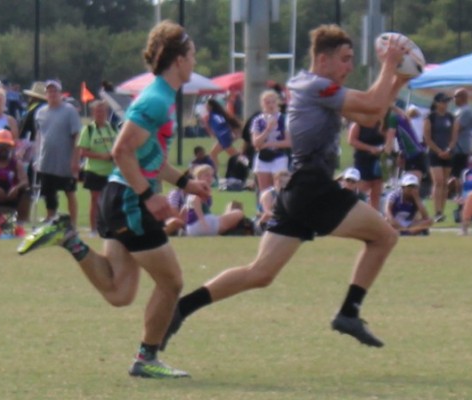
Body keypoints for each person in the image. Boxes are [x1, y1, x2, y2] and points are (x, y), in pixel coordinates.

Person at [160, 24, 409, 352]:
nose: (350, 67)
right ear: (323, 59)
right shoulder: (316, 86)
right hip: (313, 189)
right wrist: (390, 66)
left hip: (298, 190)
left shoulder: (316, 87)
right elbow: (373, 102)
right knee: (385, 236)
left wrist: (400, 79)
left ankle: (180, 310)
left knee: (260, 273)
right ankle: (349, 312)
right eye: (345, 59)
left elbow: (371, 116)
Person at [17, 20, 210, 379]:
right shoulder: (156, 99)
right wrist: (149, 197)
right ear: (179, 59)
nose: (195, 62)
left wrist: (185, 181)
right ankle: (146, 358)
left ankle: (69, 239)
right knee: (172, 283)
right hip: (130, 200)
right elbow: (122, 151)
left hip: (120, 196)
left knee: (120, 292)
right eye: (193, 55)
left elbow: (148, 156)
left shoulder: (161, 96)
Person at [34, 80, 82, 226]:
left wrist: (75, 160)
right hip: (46, 160)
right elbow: (39, 135)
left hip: (65, 161)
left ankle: (73, 223)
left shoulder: (69, 111)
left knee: (69, 192)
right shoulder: (40, 113)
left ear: (60, 93)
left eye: (55, 91)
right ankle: (51, 220)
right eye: (49, 91)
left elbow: (76, 137)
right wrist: (36, 158)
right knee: (49, 194)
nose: (52, 94)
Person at [78, 100, 117, 236]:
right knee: (95, 199)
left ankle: (110, 227)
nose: (101, 114)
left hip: (111, 171)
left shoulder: (112, 128)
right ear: (93, 113)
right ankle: (94, 229)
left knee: (111, 201)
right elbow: (82, 152)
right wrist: (102, 156)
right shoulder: (88, 130)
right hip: (94, 170)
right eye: (98, 111)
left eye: (103, 111)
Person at [185, 164, 245, 236]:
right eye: (206, 175)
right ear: (199, 176)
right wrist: (203, 223)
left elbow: (186, 209)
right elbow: (195, 200)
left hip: (193, 227)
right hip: (200, 225)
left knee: (231, 211)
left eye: (211, 176)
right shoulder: (198, 190)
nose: (210, 178)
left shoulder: (201, 190)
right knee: (238, 213)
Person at [424, 92, 457, 222]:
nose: (445, 104)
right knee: (438, 181)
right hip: (434, 153)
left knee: (445, 183)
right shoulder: (430, 117)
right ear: (437, 103)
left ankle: (441, 211)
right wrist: (438, 151)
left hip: (448, 153)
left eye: (446, 102)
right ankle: (437, 210)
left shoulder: (451, 117)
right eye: (443, 102)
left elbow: (454, 137)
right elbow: (427, 138)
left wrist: (448, 149)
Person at [251, 90, 291, 197]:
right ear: (262, 104)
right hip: (263, 157)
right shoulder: (258, 120)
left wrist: (268, 144)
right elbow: (256, 143)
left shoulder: (283, 119)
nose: (270, 105)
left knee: (280, 188)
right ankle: (263, 210)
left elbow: (289, 142)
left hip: (279, 157)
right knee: (264, 191)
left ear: (277, 103)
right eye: (267, 102)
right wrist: (268, 129)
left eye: (273, 102)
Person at [347, 118, 387, 210]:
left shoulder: (382, 123)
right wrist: (370, 148)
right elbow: (351, 140)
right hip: (363, 160)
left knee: (377, 191)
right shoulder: (359, 123)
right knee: (362, 188)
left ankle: (373, 216)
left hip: (379, 160)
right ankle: (354, 211)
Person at [385, 105, 428, 182]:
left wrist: (385, 160)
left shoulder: (392, 118)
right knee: (410, 187)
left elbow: (389, 141)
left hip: (414, 155)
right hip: (415, 154)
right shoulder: (399, 115)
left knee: (411, 188)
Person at [205, 98, 242, 173]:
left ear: (211, 106)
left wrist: (233, 133)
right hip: (221, 137)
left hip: (224, 137)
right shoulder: (214, 114)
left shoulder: (215, 115)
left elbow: (223, 123)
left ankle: (250, 164)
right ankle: (215, 173)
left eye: (206, 105)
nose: (205, 107)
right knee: (213, 154)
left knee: (235, 156)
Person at [450, 88, 472, 200]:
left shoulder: (466, 111)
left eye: (456, 97)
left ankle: (460, 195)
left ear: (462, 98)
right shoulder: (458, 111)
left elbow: (458, 127)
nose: (454, 99)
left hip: (461, 147)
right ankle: (457, 194)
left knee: (459, 173)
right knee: (455, 173)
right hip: (456, 146)